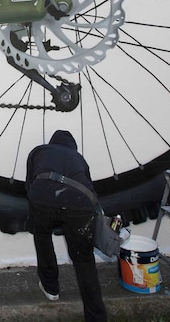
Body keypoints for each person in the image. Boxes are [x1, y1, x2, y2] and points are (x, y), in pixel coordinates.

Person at [26, 129, 107, 321]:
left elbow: (30, 184)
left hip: (43, 194)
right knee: (84, 260)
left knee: (42, 236)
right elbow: (89, 188)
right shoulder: (78, 158)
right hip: (79, 203)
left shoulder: (39, 151)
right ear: (72, 146)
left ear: (52, 142)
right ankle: (96, 317)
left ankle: (50, 287)